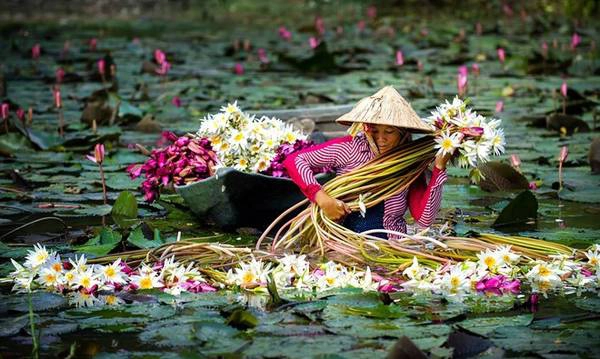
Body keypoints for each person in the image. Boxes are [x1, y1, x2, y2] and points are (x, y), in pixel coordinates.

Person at [284, 86, 451, 239]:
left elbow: (424, 218)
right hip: (344, 243)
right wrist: (322, 199)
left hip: (392, 247)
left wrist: (439, 168)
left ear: (403, 132)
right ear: (366, 127)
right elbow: (295, 160)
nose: (381, 138)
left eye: (389, 131)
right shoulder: (349, 148)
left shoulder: (409, 164)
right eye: (375, 130)